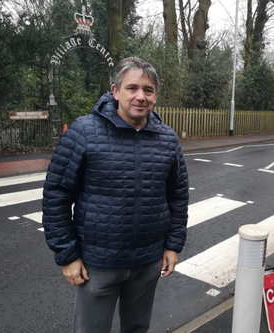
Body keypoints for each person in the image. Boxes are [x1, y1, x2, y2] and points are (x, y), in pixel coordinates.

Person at [42, 56, 189, 333]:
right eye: (132, 88)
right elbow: (57, 195)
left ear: (155, 96)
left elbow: (177, 196)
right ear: (115, 91)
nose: (140, 96)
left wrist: (173, 245)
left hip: (148, 260)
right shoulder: (84, 132)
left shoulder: (167, 139)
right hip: (97, 263)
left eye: (148, 90)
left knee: (137, 328)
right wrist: (67, 255)